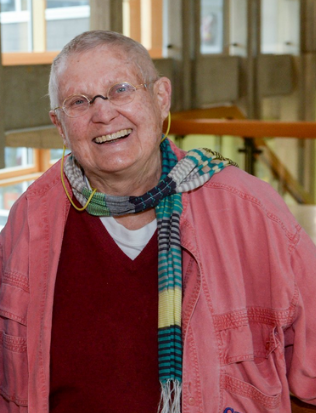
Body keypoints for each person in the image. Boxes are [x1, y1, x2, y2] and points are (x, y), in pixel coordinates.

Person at [0, 29, 316, 413]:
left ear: (161, 97)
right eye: (79, 102)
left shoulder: (250, 211)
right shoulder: (30, 219)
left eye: (120, 89)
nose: (103, 113)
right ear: (59, 125)